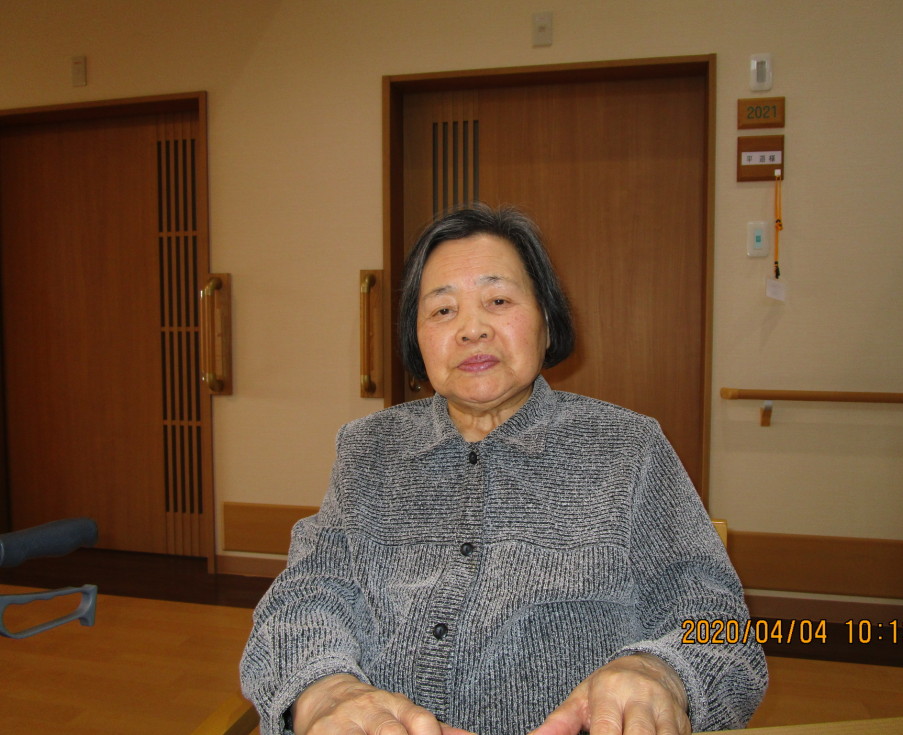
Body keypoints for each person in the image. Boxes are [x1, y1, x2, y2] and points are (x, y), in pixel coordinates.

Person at [240, 204, 768, 735]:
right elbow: (304, 599)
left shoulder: (628, 447)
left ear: (546, 321)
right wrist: (326, 691)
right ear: (416, 338)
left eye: (498, 301)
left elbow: (719, 624)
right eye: (442, 310)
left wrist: (659, 672)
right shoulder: (368, 449)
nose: (472, 329)